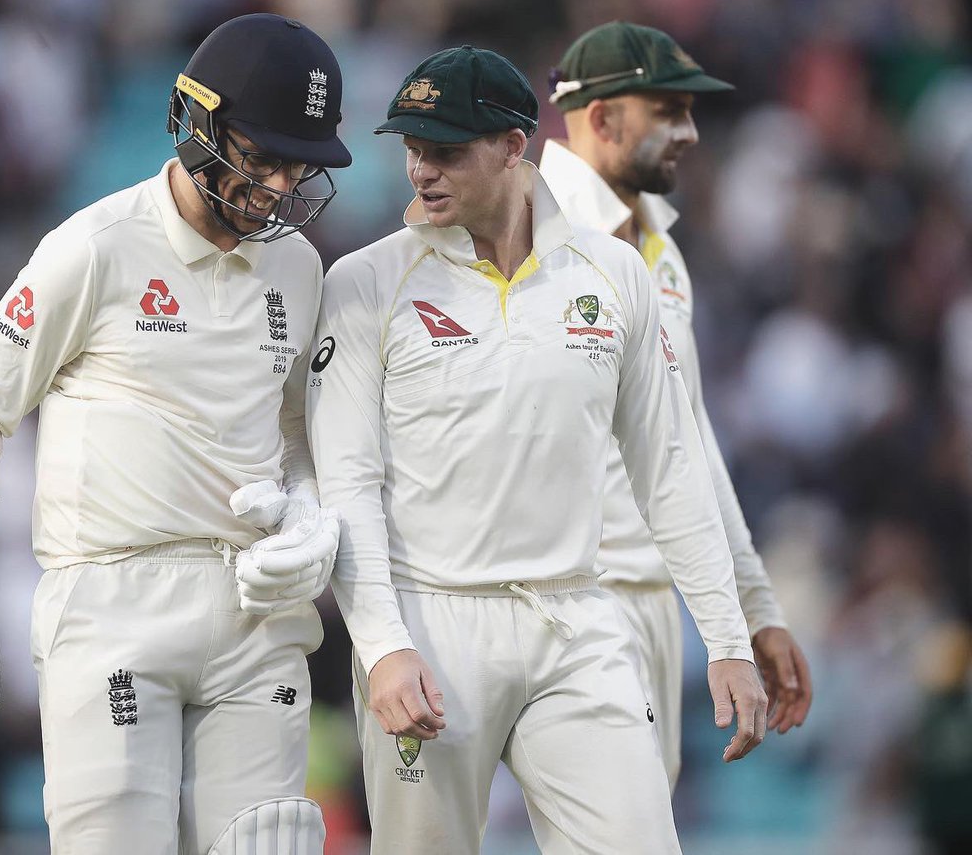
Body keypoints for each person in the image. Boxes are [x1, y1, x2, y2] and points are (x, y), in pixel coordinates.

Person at [0, 13, 349, 855]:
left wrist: (309, 507)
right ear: (198, 123)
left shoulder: (298, 266)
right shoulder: (94, 247)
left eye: (299, 165)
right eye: (262, 157)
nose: (282, 187)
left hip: (256, 611)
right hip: (112, 605)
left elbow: (297, 429)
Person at [306, 44, 767, 854]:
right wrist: (381, 649)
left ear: (514, 146)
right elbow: (347, 484)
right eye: (412, 147)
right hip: (431, 623)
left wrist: (727, 640)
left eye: (446, 150)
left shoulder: (613, 273)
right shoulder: (365, 282)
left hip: (577, 618)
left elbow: (668, 468)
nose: (421, 170)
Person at [541, 20, 813, 788]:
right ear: (602, 118)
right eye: (669, 112)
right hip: (568, 605)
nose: (690, 134)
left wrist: (753, 608)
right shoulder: (530, 236)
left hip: (657, 601)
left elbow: (687, 440)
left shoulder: (661, 250)